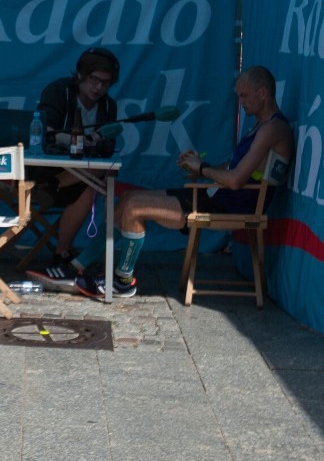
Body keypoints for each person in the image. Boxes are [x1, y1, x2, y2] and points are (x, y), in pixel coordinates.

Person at [69, 65, 294, 298]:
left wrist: (203, 169)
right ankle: (79, 265)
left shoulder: (273, 128)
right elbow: (231, 169)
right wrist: (198, 166)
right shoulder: (260, 125)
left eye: (244, 95)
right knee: (127, 197)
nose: (241, 101)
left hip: (230, 205)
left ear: (263, 94)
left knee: (135, 207)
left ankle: (122, 281)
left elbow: (236, 181)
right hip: (216, 196)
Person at [25, 47, 120, 290]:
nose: (98, 88)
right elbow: (45, 131)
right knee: (90, 183)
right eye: (94, 80)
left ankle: (61, 254)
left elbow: (109, 147)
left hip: (77, 180)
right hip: (45, 172)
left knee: (103, 174)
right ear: (80, 75)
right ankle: (63, 251)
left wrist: (98, 142)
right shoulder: (60, 91)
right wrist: (75, 140)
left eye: (105, 83)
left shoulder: (108, 106)